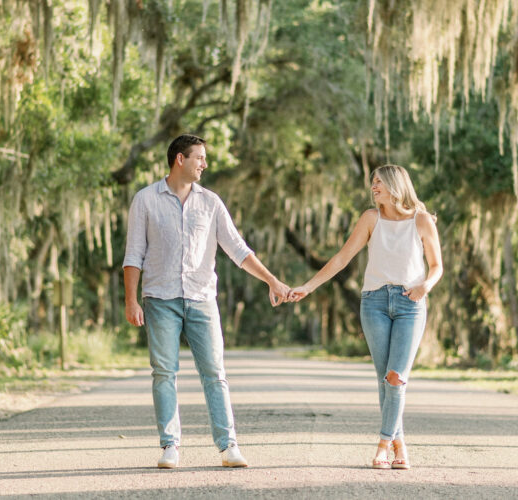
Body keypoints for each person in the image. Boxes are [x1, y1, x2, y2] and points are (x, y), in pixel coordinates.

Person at [123, 134, 292, 469]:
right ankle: (170, 445)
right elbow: (133, 255)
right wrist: (131, 300)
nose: (205, 164)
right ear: (179, 160)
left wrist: (272, 279)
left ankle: (228, 445)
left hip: (201, 299)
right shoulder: (145, 200)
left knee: (215, 373)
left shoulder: (211, 203)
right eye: (199, 157)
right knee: (164, 372)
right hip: (159, 298)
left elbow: (238, 249)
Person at [289, 165, 442, 470]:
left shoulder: (421, 221)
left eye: (379, 182)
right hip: (373, 302)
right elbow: (342, 258)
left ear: (395, 186)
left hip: (410, 303)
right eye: (372, 182)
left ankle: (383, 445)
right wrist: (309, 286)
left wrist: (425, 285)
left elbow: (437, 265)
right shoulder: (371, 219)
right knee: (385, 380)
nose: (373, 187)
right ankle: (400, 447)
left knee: (396, 377)